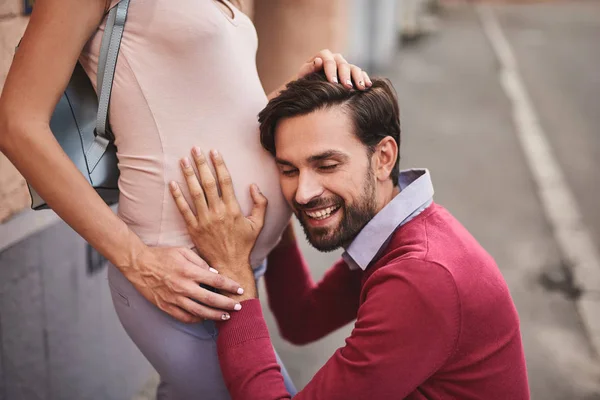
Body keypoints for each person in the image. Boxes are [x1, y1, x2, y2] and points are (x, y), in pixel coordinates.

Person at [0, 1, 371, 398]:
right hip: (182, 277)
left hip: (238, 264)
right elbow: (16, 123)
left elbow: (215, 112)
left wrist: (300, 88)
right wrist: (138, 261)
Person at [170, 72, 531, 399]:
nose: (303, 193)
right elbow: (303, 320)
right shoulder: (400, 228)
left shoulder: (422, 277)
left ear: (383, 158)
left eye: (326, 165)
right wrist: (273, 221)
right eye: (288, 170)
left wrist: (233, 268)